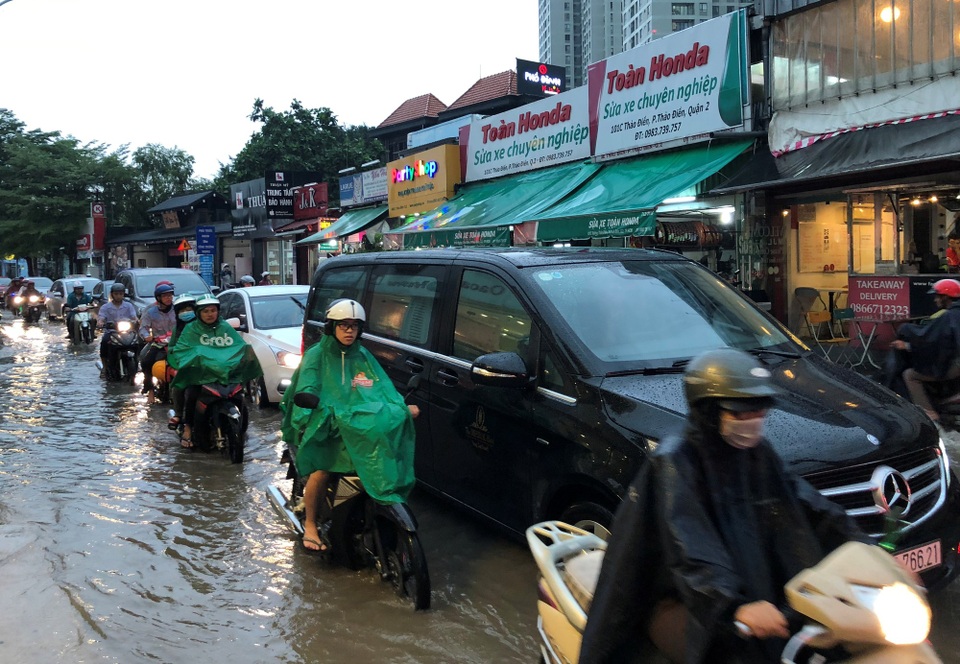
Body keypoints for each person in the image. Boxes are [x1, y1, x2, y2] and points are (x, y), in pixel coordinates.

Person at [579, 348, 865, 664]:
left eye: (758, 412)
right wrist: (732, 605)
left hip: (747, 591)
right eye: (740, 413)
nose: (752, 422)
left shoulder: (757, 454)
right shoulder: (676, 461)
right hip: (683, 600)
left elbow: (810, 506)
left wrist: (867, 551)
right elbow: (690, 547)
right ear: (709, 412)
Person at [279, 299, 419, 553]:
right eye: (343, 325)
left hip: (356, 424)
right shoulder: (316, 354)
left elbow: (383, 390)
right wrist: (311, 399)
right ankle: (311, 525)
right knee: (322, 470)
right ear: (332, 327)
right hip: (323, 423)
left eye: (354, 326)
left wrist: (401, 408)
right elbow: (307, 386)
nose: (349, 331)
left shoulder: (362, 354)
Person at [167, 294, 261, 448]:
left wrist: (246, 353)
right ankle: (189, 428)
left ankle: (241, 430)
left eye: (212, 310)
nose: (209, 314)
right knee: (191, 394)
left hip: (224, 373)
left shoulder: (225, 327)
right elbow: (181, 348)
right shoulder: (191, 329)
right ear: (199, 313)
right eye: (205, 311)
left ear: (218, 311)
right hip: (200, 374)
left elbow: (237, 346)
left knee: (241, 398)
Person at [889, 278, 960, 426]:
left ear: (945, 297)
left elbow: (933, 342)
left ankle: (930, 414)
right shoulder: (954, 315)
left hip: (956, 365)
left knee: (909, 375)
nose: (935, 300)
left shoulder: (948, 317)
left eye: (937, 296)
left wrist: (908, 345)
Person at [138, 282, 176, 404]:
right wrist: (146, 336)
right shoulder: (150, 312)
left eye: (170, 295)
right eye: (165, 296)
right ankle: (150, 391)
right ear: (158, 298)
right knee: (146, 362)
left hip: (177, 343)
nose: (168, 298)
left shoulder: (178, 309)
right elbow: (143, 328)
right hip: (159, 344)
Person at [166, 293, 197, 429]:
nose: (186, 313)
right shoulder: (177, 330)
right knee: (179, 384)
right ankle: (179, 413)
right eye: (182, 311)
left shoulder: (208, 326)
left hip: (208, 364)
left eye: (189, 309)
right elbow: (172, 348)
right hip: (187, 365)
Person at [97, 282, 139, 376]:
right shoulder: (105, 307)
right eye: (116, 294)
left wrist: (137, 321)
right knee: (104, 342)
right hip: (112, 332)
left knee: (137, 342)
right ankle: (105, 366)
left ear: (124, 294)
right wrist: (100, 322)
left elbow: (133, 316)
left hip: (127, 332)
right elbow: (101, 317)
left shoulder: (129, 306)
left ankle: (137, 361)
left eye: (121, 294)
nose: (118, 296)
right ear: (112, 294)